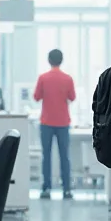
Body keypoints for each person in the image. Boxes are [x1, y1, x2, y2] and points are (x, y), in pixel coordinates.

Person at [34, 49, 76, 200]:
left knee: (46, 156)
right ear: (61, 60)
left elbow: (36, 97)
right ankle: (66, 190)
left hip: (46, 122)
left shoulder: (43, 78)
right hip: (63, 122)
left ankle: (46, 188)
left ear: (49, 60)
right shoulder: (68, 78)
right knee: (64, 156)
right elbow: (72, 97)